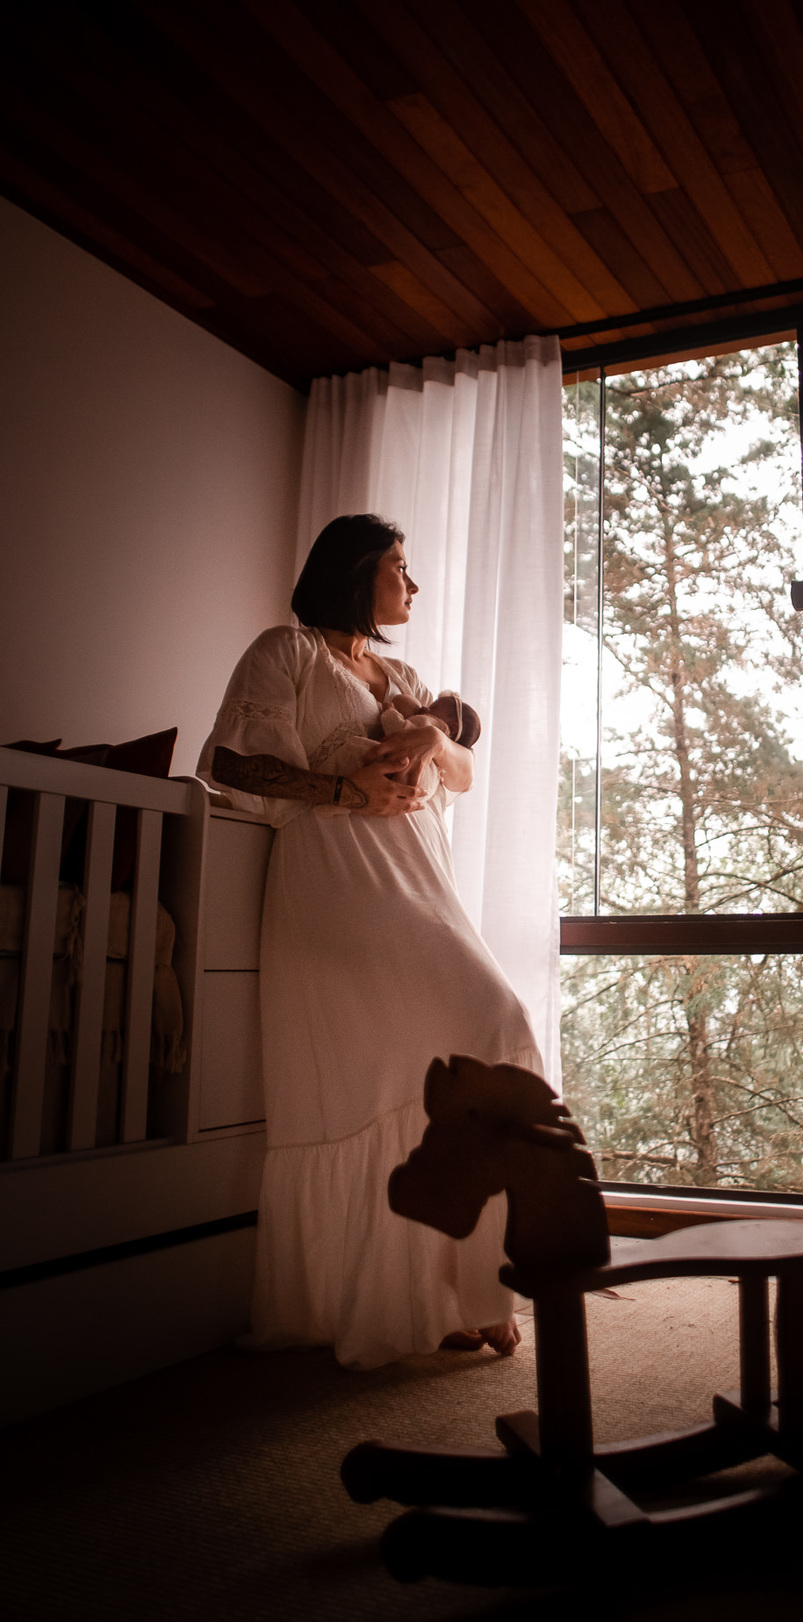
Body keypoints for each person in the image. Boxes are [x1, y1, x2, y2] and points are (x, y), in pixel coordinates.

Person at [197, 514, 540, 1367]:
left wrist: (429, 734)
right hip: (338, 877)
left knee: (476, 1045)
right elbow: (232, 763)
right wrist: (342, 791)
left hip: (419, 876)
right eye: (398, 566)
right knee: (471, 1033)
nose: (411, 584)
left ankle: (461, 1293)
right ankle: (418, 1295)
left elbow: (458, 773)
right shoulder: (285, 651)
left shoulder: (398, 673)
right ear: (355, 572)